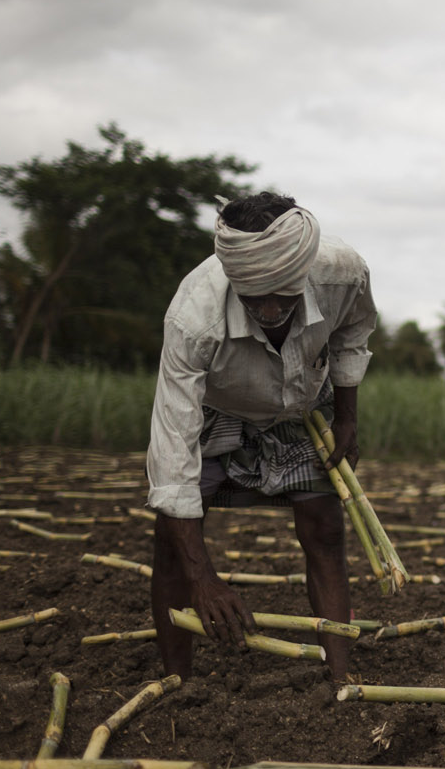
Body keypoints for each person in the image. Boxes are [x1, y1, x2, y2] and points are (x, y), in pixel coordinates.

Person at [146, 191, 376, 682]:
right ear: (235, 277)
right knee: (171, 544)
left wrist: (347, 418)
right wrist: (204, 579)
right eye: (255, 298)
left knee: (325, 529)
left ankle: (341, 678)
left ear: (302, 272)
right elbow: (172, 455)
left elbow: (353, 333)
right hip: (217, 409)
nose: (270, 311)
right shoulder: (193, 319)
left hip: (300, 405)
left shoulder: (342, 274)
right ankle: (176, 681)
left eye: (283, 296)